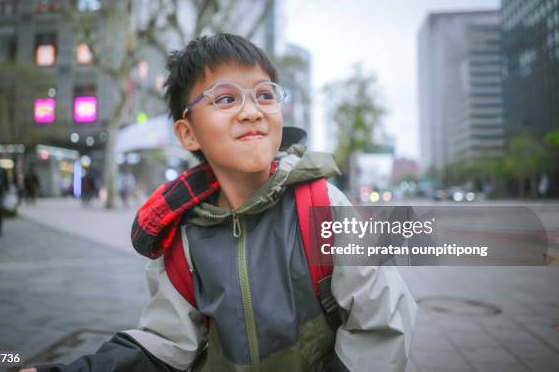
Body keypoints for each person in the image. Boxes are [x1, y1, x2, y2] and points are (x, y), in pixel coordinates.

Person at [23, 34, 418, 372]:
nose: (251, 111)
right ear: (188, 133)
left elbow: (380, 326)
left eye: (264, 94)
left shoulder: (321, 205)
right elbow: (165, 344)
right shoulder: (184, 238)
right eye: (225, 98)